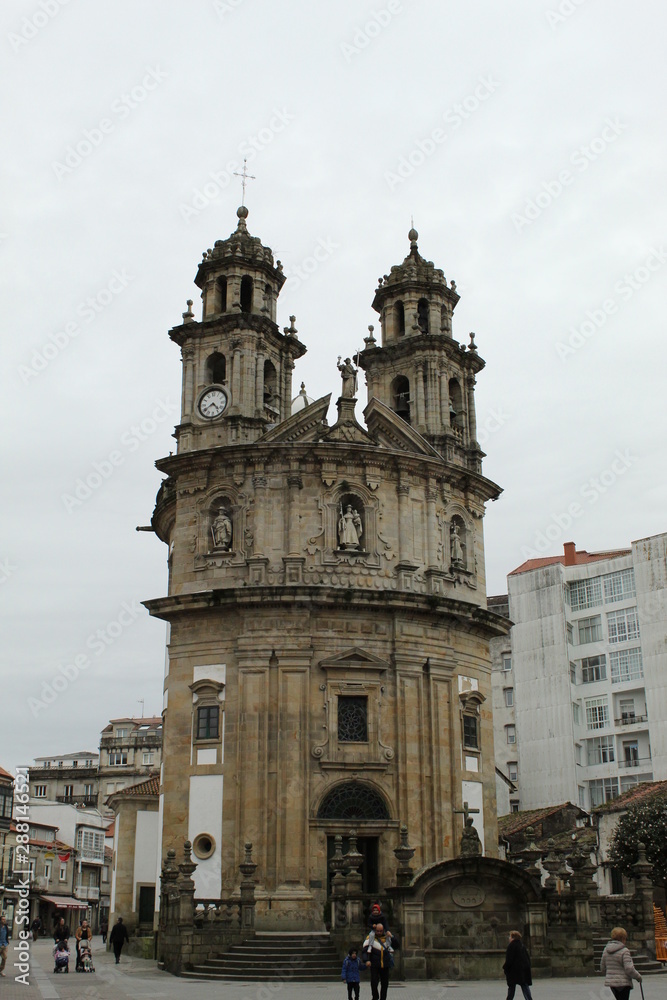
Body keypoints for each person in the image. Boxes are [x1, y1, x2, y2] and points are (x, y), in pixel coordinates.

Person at [600, 926, 642, 1000]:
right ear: (623, 938)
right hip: (624, 983)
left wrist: (610, 975)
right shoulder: (624, 951)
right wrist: (638, 977)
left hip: (612, 983)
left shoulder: (606, 950)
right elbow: (629, 968)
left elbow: (602, 967)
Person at [362, 919, 396, 1000]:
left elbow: (396, 945)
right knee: (374, 982)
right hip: (375, 964)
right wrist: (366, 960)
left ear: (383, 930)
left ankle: (383, 998)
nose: (379, 933)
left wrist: (392, 936)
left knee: (385, 984)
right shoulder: (370, 938)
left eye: (381, 931)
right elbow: (364, 951)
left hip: (385, 964)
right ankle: (375, 997)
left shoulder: (387, 938)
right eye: (377, 931)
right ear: (375, 930)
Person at [503, 930, 533, 1000]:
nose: (509, 938)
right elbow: (527, 958)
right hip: (523, 970)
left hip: (514, 971)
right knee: (524, 986)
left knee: (511, 988)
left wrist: (505, 968)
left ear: (513, 938)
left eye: (510, 936)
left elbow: (509, 959)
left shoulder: (511, 946)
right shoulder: (522, 946)